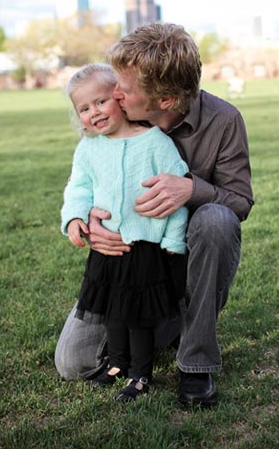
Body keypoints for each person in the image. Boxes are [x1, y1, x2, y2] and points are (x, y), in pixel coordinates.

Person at [55, 22, 254, 408]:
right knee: (74, 363)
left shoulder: (224, 121)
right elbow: (85, 181)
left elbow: (240, 202)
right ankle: (167, 324)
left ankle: (195, 362)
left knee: (217, 219)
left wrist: (191, 188)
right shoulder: (111, 123)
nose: (113, 95)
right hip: (125, 268)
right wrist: (90, 219)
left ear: (163, 100)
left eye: (124, 90)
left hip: (181, 259)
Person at [61, 63, 189, 402]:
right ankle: (117, 363)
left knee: (137, 316)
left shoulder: (156, 143)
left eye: (101, 102)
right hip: (106, 250)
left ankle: (141, 375)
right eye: (84, 109)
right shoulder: (89, 148)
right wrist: (75, 218)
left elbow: (176, 197)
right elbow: (79, 188)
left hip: (145, 247)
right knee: (112, 311)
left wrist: (174, 239)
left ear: (119, 98)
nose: (94, 112)